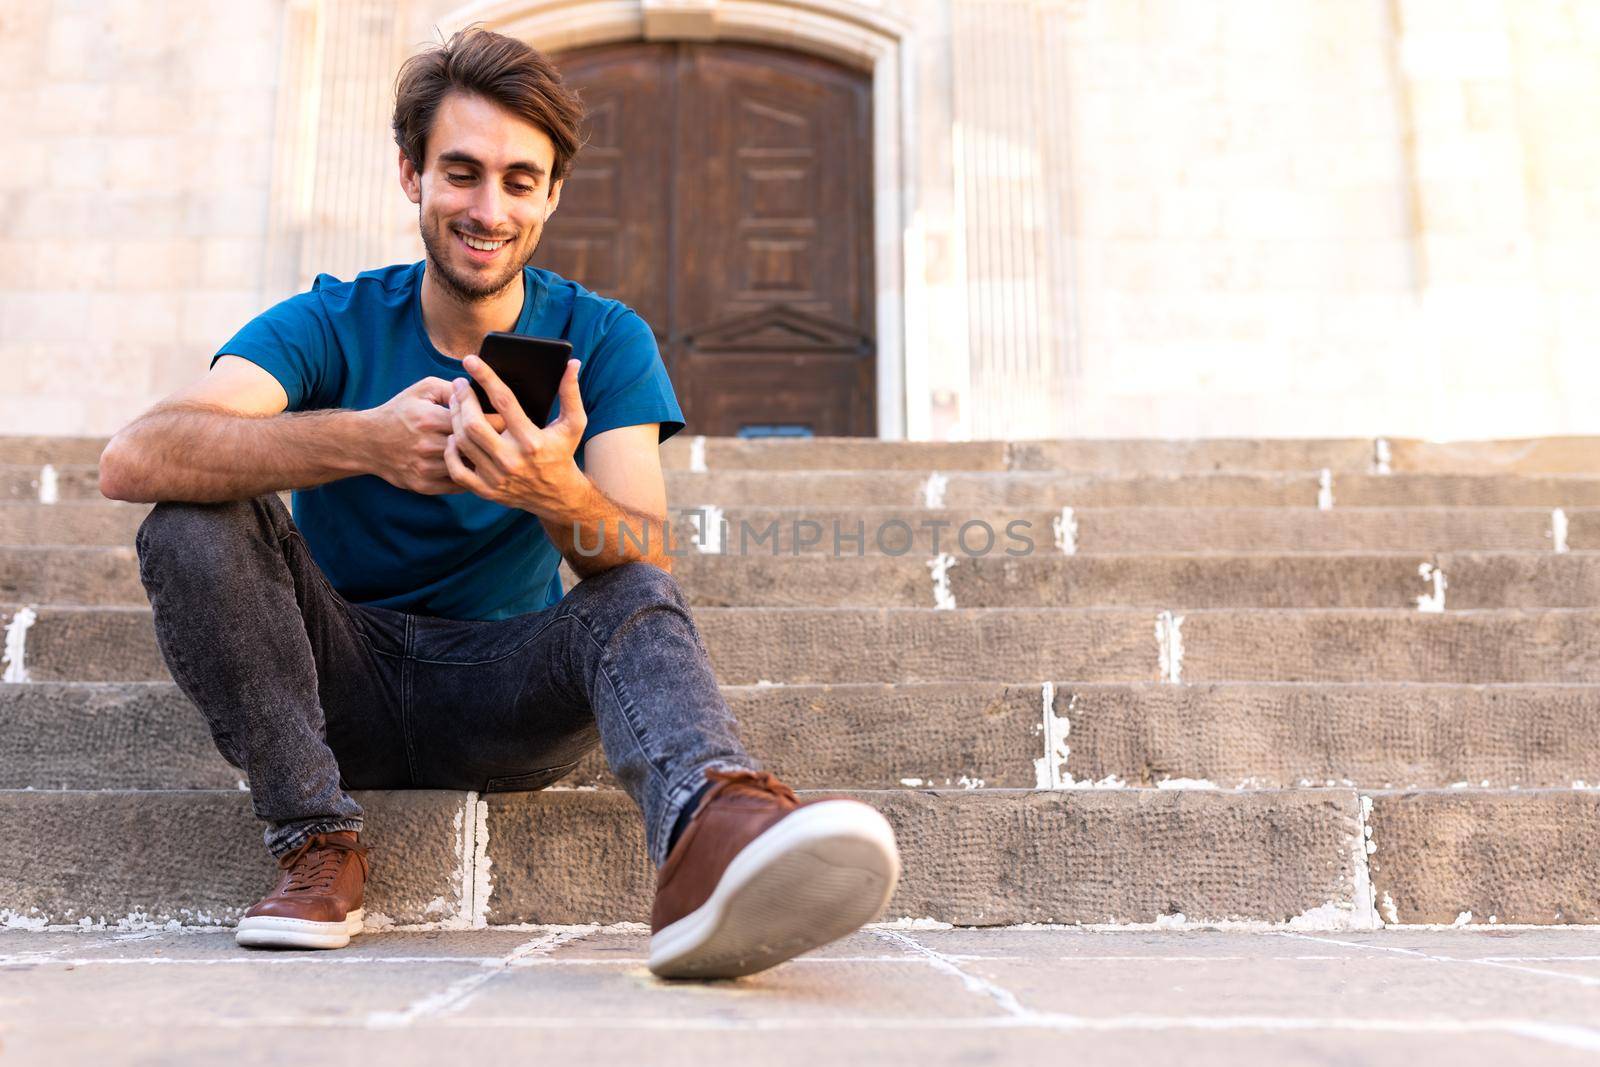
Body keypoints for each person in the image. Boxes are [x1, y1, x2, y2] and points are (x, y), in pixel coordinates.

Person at [98, 25, 899, 980]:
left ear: (552, 194)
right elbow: (134, 454)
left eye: (520, 180)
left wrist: (548, 487)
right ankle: (316, 839)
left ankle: (711, 827)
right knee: (191, 516)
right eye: (462, 172)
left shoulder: (604, 338)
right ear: (412, 175)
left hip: (503, 689)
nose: (488, 208)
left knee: (633, 591)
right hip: (332, 674)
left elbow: (644, 545)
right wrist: (362, 439)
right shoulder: (329, 320)